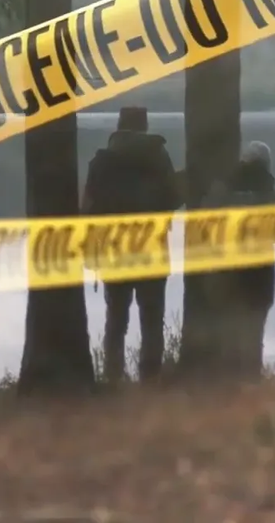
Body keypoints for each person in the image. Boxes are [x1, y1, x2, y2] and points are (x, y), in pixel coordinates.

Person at [82, 106, 182, 384]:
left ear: (119, 126)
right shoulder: (159, 157)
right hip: (152, 250)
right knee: (152, 321)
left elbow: (89, 211)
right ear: (145, 126)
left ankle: (113, 379)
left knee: (116, 321)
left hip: (115, 251)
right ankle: (150, 380)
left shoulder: (102, 162)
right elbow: (172, 197)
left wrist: (90, 252)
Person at [202, 140, 275, 378]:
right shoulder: (272, 195)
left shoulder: (221, 190)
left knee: (228, 328)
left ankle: (228, 382)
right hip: (260, 272)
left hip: (228, 270)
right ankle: (251, 381)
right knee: (255, 331)